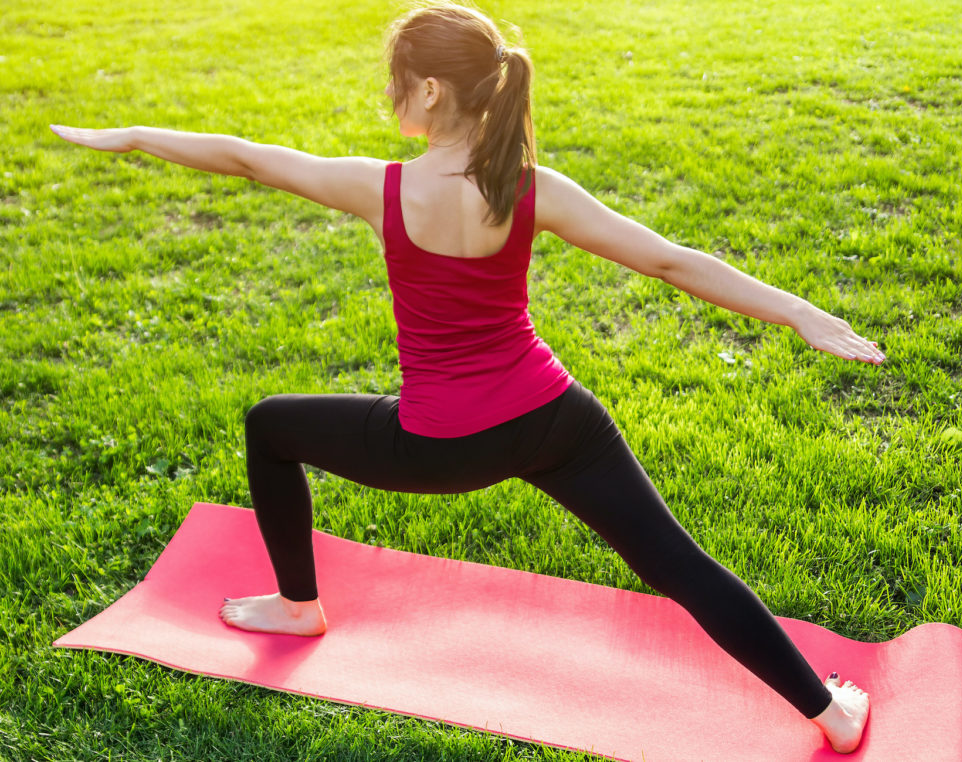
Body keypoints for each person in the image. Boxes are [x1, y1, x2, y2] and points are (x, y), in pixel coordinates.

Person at [51, 1, 878, 753]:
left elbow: (247, 160)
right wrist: (795, 311)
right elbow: (668, 260)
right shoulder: (530, 189)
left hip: (437, 447)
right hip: (555, 421)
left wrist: (130, 137)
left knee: (272, 425)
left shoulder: (381, 188)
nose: (390, 96)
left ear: (434, 92)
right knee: (677, 564)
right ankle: (829, 713)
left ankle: (300, 606)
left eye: (397, 83)